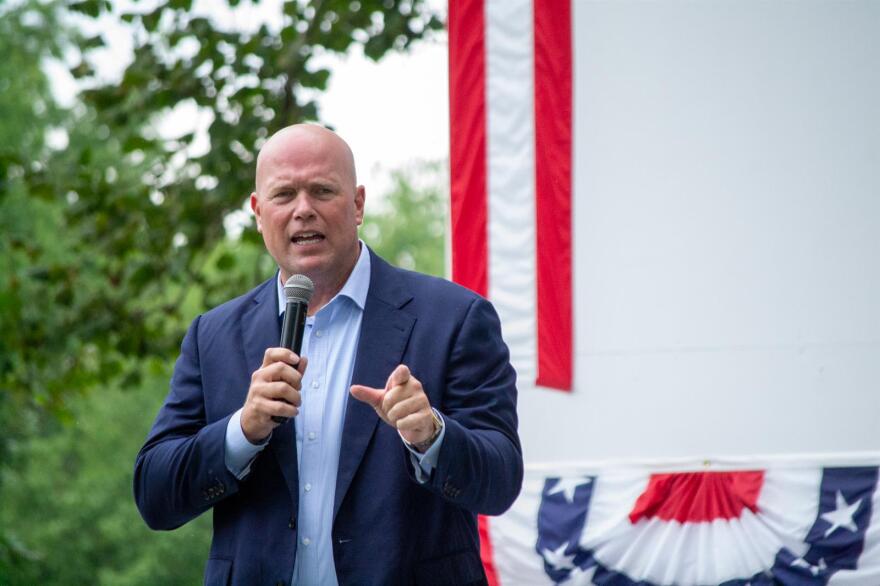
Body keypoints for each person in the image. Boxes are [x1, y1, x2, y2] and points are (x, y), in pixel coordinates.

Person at [134, 124, 522, 586]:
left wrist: (432, 436)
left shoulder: (455, 318)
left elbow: (500, 481)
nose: (303, 210)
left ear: (357, 204)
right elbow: (155, 495)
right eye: (284, 195)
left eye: (322, 190)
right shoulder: (213, 335)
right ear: (258, 213)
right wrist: (243, 430)